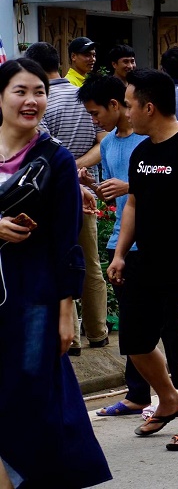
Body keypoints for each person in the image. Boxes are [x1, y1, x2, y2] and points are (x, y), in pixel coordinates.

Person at [0, 58, 112, 488]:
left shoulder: (57, 161)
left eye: (39, 92)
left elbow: (67, 243)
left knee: (31, 394)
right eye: (20, 91)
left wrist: (67, 311)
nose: (31, 101)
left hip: (34, 298)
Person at [106, 68, 178, 449]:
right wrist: (121, 253)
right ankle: (168, 398)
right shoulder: (141, 152)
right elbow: (133, 205)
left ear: (149, 107)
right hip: (145, 261)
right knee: (135, 341)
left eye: (128, 104)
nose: (126, 112)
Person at [76, 74, 166, 417]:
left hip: (154, 241)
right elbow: (117, 197)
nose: (94, 120)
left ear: (118, 105)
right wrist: (93, 186)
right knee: (131, 325)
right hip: (123, 240)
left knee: (154, 324)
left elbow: (156, 187)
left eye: (97, 113)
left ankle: (171, 393)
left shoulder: (149, 142)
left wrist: (127, 187)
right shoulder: (110, 144)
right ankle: (138, 393)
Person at [26, 41, 109, 354]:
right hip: (87, 189)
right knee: (91, 262)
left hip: (53, 192)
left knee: (61, 258)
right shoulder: (84, 98)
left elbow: (47, 147)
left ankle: (71, 337)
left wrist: (66, 169)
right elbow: (103, 143)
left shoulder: (43, 102)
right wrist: (78, 168)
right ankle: (99, 333)